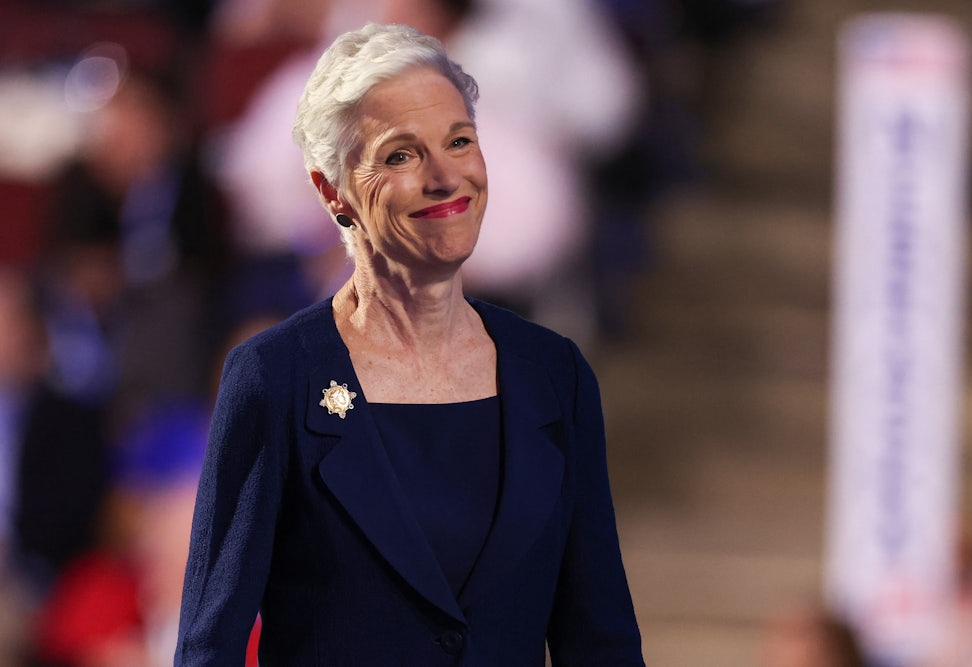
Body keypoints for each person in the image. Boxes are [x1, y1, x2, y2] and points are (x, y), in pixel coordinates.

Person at [174, 22, 644, 666]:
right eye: (400, 155)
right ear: (332, 190)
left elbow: (601, 641)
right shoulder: (275, 377)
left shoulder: (553, 374)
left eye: (459, 141)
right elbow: (211, 648)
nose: (446, 177)